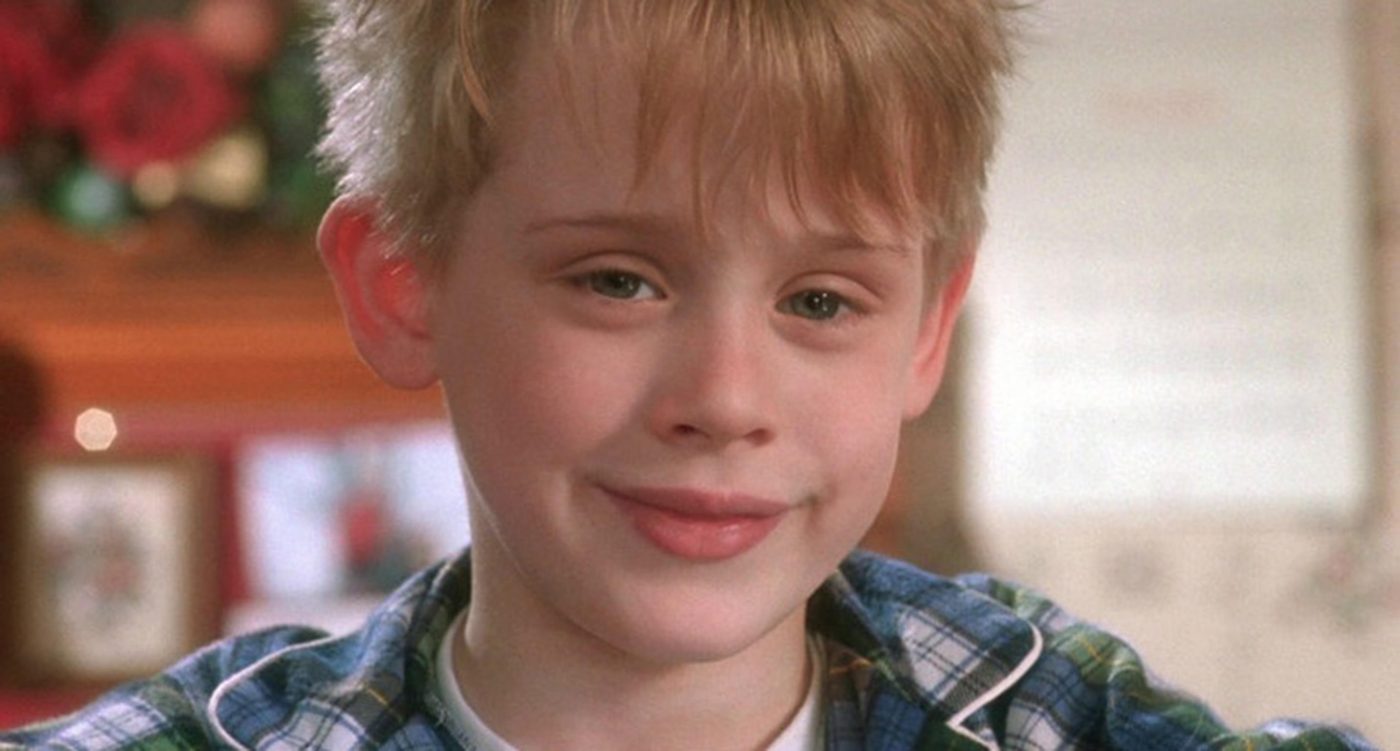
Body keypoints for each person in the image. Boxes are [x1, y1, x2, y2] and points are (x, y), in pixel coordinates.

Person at [0, 1, 1377, 749]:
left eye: (821, 301)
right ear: (403, 282)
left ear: (926, 332)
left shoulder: (1049, 718)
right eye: (618, 280)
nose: (724, 398)